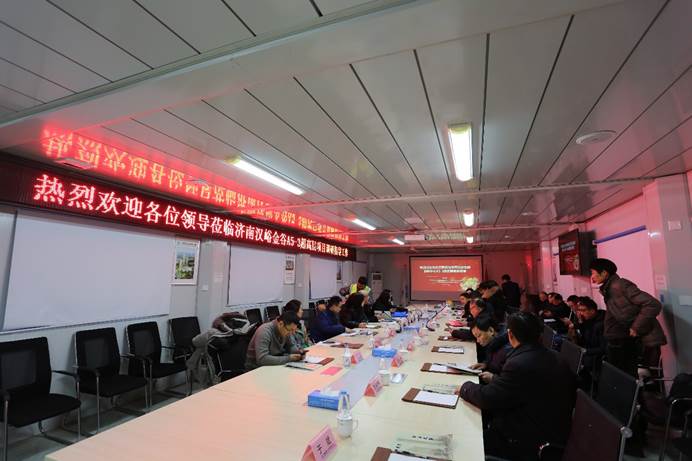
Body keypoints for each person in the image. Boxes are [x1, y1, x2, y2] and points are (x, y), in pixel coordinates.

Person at [460, 312, 575, 460]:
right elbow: (519, 387)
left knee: (465, 443)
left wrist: (465, 387)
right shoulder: (556, 356)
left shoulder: (519, 363)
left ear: (510, 335)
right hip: (551, 431)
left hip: (526, 441)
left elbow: (488, 398)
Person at [589, 258, 667, 377]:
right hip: (616, 340)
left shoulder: (620, 285)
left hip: (625, 341)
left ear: (604, 273)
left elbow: (652, 304)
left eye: (593, 273)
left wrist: (636, 327)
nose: (592, 277)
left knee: (626, 377)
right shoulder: (608, 289)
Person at [561, 296, 606, 389]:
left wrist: (585, 351)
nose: (580, 313)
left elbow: (603, 348)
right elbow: (585, 339)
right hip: (588, 350)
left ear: (592, 310)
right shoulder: (587, 321)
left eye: (583, 310)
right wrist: (581, 323)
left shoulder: (600, 324)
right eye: (579, 310)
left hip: (596, 356)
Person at [468, 316, 511, 384]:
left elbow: (509, 383)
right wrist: (486, 364)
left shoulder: (507, 349)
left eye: (479, 336)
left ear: (491, 330)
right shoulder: (494, 343)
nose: (478, 341)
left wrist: (493, 378)